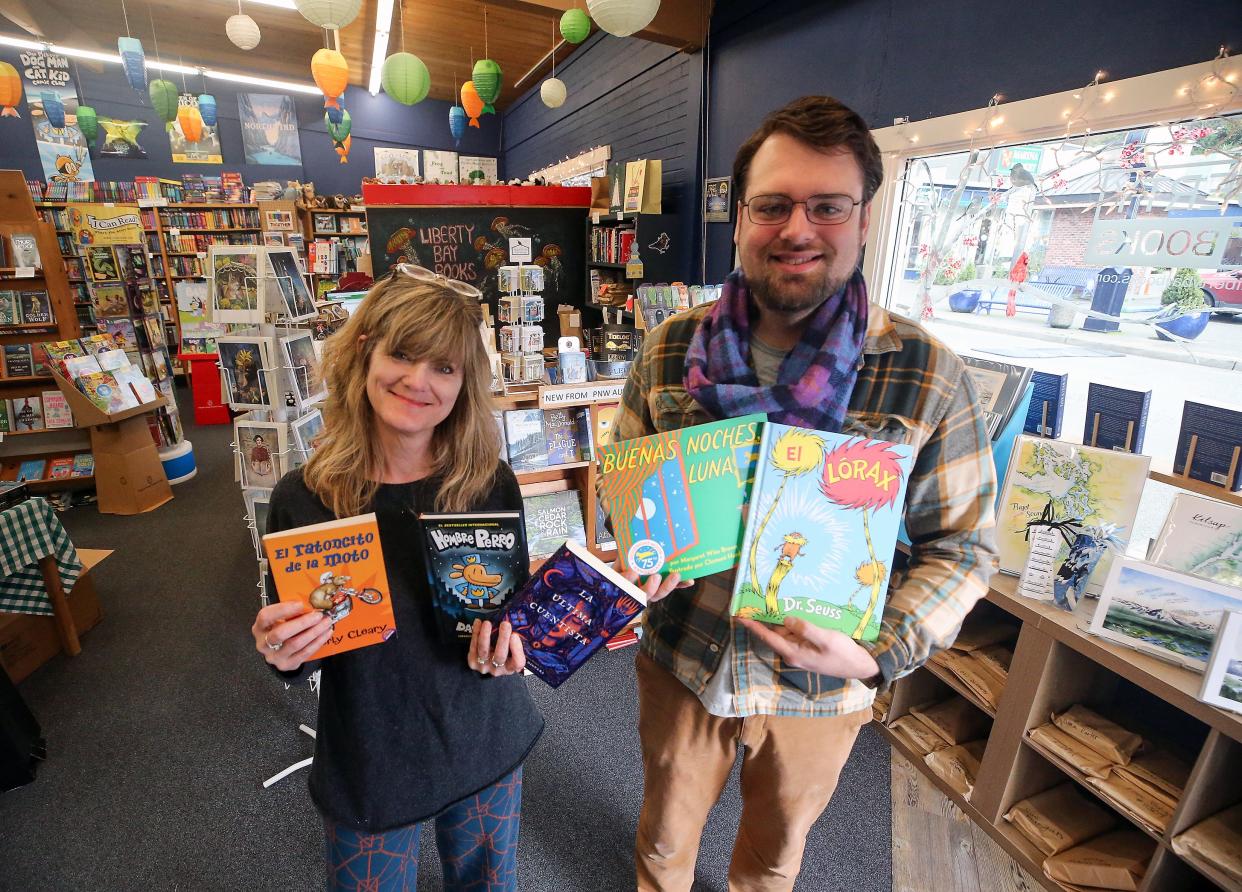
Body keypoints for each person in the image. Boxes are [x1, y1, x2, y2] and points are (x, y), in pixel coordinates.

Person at [614, 96, 999, 891]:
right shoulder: (668, 348)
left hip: (820, 692)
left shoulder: (924, 372)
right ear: (741, 217)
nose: (798, 228)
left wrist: (875, 652)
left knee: (771, 864)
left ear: (863, 219)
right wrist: (635, 542)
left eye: (827, 206)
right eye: (773, 205)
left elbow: (962, 546)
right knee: (660, 850)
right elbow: (627, 484)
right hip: (684, 657)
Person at [249, 265, 544, 891]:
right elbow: (301, 652)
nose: (419, 381)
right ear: (365, 353)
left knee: (490, 883)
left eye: (444, 367)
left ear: (465, 384)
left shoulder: (489, 482)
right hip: (373, 751)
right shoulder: (304, 498)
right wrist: (282, 650)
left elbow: (506, 616)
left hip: (483, 733)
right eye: (403, 354)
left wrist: (515, 646)